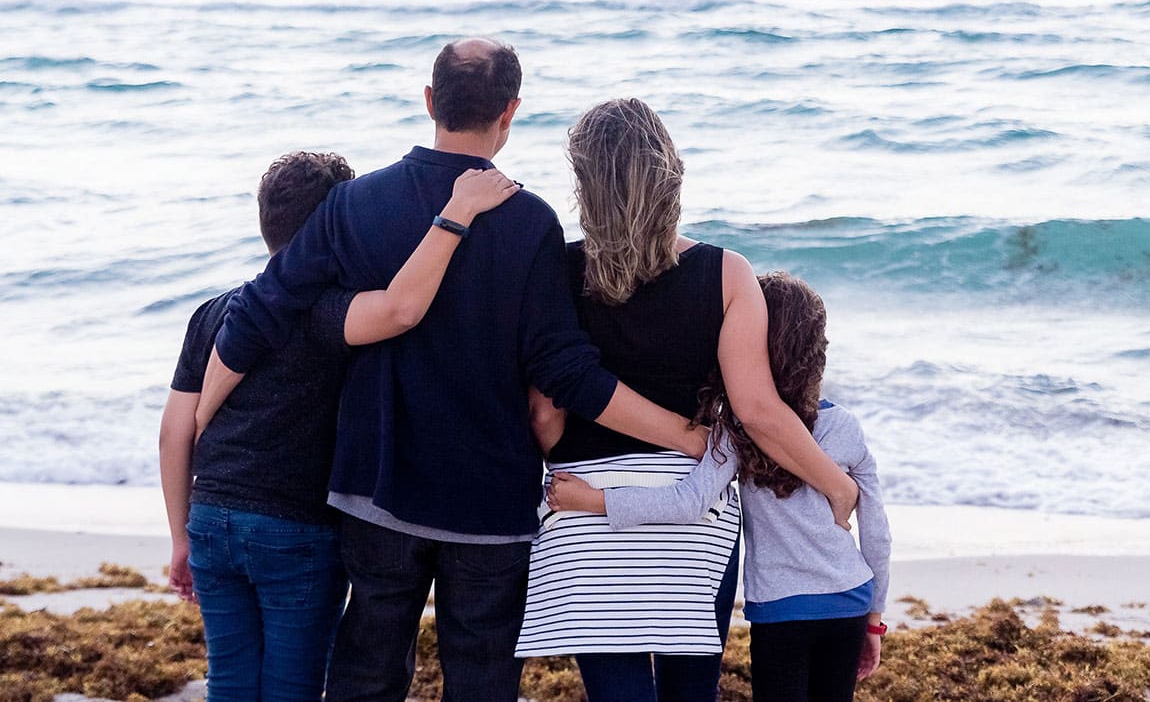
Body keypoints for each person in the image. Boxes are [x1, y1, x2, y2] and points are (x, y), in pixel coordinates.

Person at [191, 39, 721, 701]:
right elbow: (564, 373)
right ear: (511, 110)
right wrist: (685, 436)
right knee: (482, 679)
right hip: (489, 501)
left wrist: (202, 418)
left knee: (366, 674)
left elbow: (261, 312)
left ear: (429, 100)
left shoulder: (354, 204)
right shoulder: (530, 222)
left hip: (376, 486)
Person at [512, 98, 862, 702]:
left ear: (584, 183)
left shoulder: (557, 272)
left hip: (587, 515)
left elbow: (544, 413)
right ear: (670, 173)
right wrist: (836, 485)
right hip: (692, 518)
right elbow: (758, 412)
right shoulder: (727, 272)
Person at [159, 151, 518, 701]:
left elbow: (173, 433)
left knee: (230, 681)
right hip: (296, 528)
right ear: (337, 225)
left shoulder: (213, 312)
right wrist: (456, 215)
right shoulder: (327, 314)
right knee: (293, 687)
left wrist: (180, 536)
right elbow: (401, 308)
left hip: (211, 518)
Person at [550, 272, 893, 702]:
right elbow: (877, 533)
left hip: (781, 610)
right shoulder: (844, 426)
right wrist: (875, 619)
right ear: (815, 349)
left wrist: (593, 500)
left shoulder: (736, 428)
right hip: (850, 600)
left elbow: (688, 502)